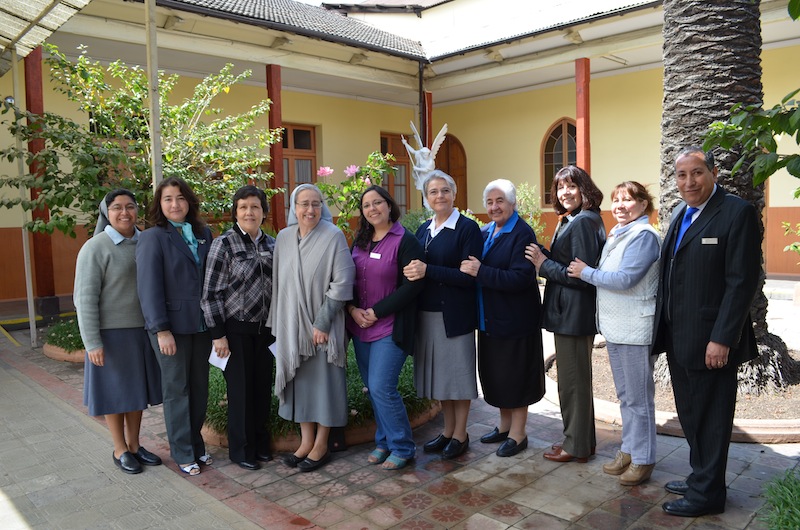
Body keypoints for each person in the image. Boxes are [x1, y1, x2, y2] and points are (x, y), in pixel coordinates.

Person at [652, 147, 760, 517]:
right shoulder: (680, 213)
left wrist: (722, 338)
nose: (689, 182)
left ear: (713, 172)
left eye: (697, 172)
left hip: (711, 341)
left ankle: (707, 496)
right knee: (692, 414)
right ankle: (702, 477)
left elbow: (741, 282)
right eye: (681, 175)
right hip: (678, 336)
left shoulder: (736, 213)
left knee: (711, 418)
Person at [567, 181, 660, 485]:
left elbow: (625, 279)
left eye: (628, 200)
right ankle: (629, 450)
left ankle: (644, 459)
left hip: (635, 329)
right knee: (626, 396)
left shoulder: (644, 236)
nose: (620, 205)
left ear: (643, 204)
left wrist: (586, 273)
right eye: (616, 200)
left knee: (639, 398)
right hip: (617, 327)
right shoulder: (620, 233)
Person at [74, 189, 163, 475]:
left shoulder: (145, 241)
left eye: (130, 206)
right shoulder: (95, 248)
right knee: (114, 394)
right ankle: (119, 448)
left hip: (141, 332)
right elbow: (84, 299)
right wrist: (92, 342)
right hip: (110, 335)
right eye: (116, 208)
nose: (124, 213)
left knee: (136, 393)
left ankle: (135, 445)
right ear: (106, 212)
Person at [270, 184, 355, 473]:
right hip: (293, 327)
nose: (310, 209)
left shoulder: (333, 236)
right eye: (304, 204)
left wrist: (322, 322)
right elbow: (279, 284)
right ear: (294, 208)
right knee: (301, 385)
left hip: (322, 329)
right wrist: (281, 324)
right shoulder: (283, 238)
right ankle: (305, 442)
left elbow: (343, 282)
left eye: (316, 203)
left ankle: (321, 445)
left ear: (322, 207)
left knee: (324, 386)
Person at [525, 165, 605, 464]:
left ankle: (576, 445)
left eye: (571, 186)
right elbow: (567, 261)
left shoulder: (583, 222)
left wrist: (543, 264)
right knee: (575, 382)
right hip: (570, 313)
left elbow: (580, 275)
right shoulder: (576, 218)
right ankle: (582, 440)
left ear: (584, 188)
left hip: (574, 315)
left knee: (572, 383)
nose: (565, 192)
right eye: (560, 187)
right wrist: (545, 256)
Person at [460, 179, 545, 457]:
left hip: (515, 320)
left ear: (513, 203)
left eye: (500, 201)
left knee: (516, 376)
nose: (494, 207)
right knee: (498, 375)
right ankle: (504, 426)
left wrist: (481, 271)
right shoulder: (486, 232)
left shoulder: (522, 233)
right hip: (490, 319)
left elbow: (521, 278)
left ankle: (518, 434)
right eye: (490, 202)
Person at [137, 177, 213, 477]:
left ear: (189, 201)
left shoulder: (204, 233)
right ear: (160, 204)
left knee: (199, 388)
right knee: (176, 390)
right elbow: (148, 287)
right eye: (168, 198)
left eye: (180, 198)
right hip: (170, 328)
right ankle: (182, 452)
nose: (175, 204)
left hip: (201, 325)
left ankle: (196, 444)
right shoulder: (152, 237)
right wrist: (161, 329)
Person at [403, 170, 482, 460]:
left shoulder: (467, 229)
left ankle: (460, 434)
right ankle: (448, 431)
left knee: (458, 377)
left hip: (454, 314)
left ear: (454, 194)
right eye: (433, 192)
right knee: (443, 378)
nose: (440, 196)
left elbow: (468, 277)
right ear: (426, 197)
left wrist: (428, 270)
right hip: (427, 314)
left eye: (445, 190)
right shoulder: (424, 229)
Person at [346, 185, 424, 470]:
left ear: (389, 205)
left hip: (390, 327)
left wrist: (376, 312)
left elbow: (412, 287)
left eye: (377, 202)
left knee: (382, 387)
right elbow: (347, 279)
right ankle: (383, 442)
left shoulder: (406, 240)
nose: (372, 209)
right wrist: (352, 309)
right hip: (360, 327)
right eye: (366, 205)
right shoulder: (360, 241)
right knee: (372, 388)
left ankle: (403, 446)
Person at [201, 185, 275, 471]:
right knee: (241, 392)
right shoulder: (224, 244)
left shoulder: (273, 245)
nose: (249, 212)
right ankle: (241, 450)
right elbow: (210, 294)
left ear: (264, 212)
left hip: (265, 331)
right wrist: (218, 335)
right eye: (243, 207)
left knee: (261, 389)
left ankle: (260, 443)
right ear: (235, 212)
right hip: (235, 331)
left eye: (255, 207)